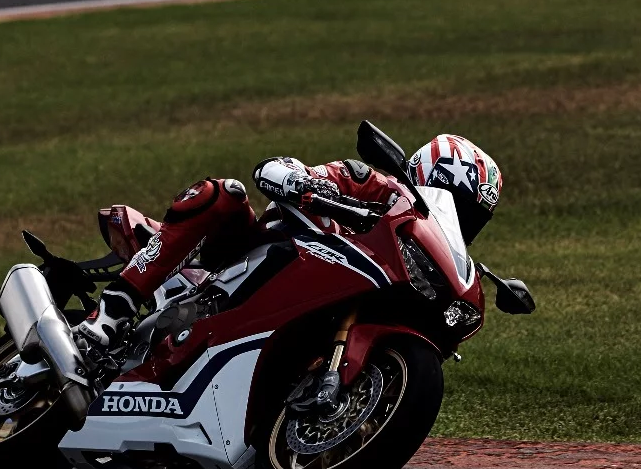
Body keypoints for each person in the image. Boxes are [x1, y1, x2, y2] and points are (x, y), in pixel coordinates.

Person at [75, 134, 504, 353]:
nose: (462, 223)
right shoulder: (376, 185)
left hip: (310, 301)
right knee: (225, 194)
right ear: (429, 177)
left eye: (473, 219)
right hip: (250, 260)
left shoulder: (425, 255)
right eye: (459, 207)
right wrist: (301, 182)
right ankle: (111, 313)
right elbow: (277, 169)